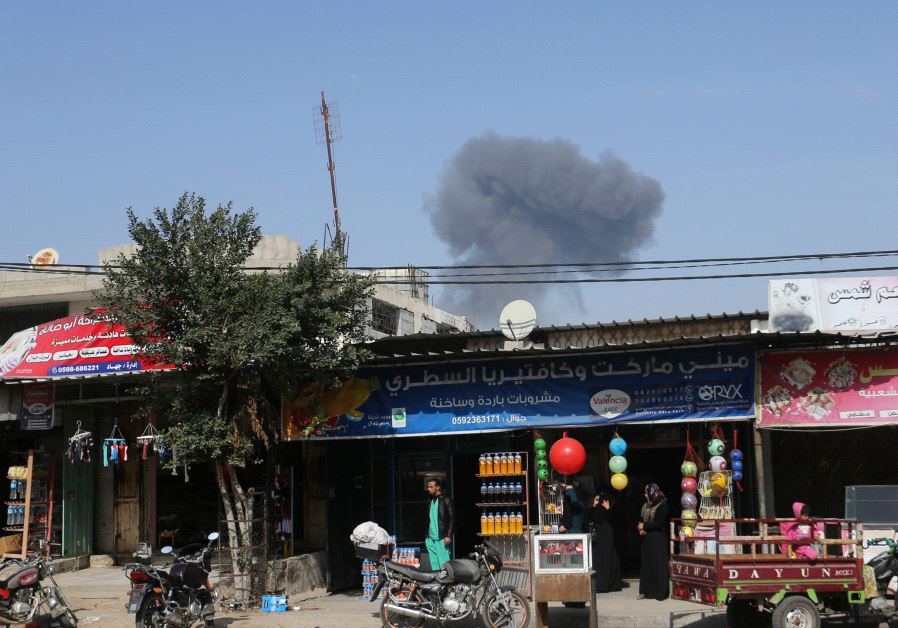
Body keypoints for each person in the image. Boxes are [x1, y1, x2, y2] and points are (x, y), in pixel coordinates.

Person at [637, 483, 669, 600]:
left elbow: (659, 523)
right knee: (647, 564)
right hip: (646, 539)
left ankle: (660, 592)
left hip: (657, 539)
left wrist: (644, 526)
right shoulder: (646, 505)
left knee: (658, 564)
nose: (645, 495)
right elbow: (640, 520)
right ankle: (646, 591)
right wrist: (640, 528)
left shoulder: (662, 504)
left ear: (652, 492)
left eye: (647, 492)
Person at [588, 491, 622, 593]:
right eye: (597, 499)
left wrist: (608, 508)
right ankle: (599, 584)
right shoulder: (594, 510)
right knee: (598, 560)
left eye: (600, 500)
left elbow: (615, 519)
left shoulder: (609, 510)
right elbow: (590, 516)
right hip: (598, 538)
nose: (599, 502)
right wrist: (593, 505)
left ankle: (607, 584)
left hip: (607, 538)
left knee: (608, 559)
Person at [424, 477, 454, 570]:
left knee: (444, 564)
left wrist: (448, 535)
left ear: (438, 487)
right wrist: (427, 538)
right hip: (430, 538)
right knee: (434, 565)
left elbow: (451, 519)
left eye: (431, 486)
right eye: (428, 487)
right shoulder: (431, 500)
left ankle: (447, 583)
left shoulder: (446, 499)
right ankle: (437, 583)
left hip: (441, 537)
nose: (428, 489)